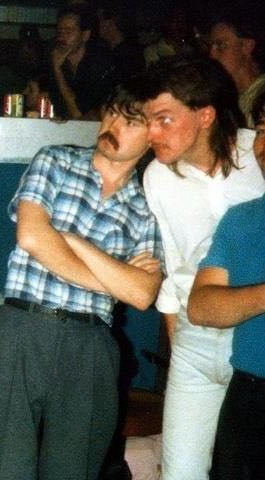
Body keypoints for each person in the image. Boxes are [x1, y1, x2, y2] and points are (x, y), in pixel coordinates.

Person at [0, 78, 164, 480]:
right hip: (23, 327)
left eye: (130, 121)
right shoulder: (55, 160)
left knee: (74, 470)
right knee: (3, 467)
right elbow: (32, 236)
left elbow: (143, 294)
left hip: (91, 346)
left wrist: (74, 241)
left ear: (152, 138)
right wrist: (114, 279)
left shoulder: (148, 206)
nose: (113, 124)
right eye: (111, 112)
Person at [139, 55, 265, 480]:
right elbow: (175, 268)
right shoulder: (157, 175)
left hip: (252, 333)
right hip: (196, 330)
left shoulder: (258, 151)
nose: (150, 132)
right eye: (147, 120)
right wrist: (180, 346)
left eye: (164, 119)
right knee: (181, 471)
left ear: (206, 115)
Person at [186, 91, 265, 480]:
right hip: (250, 396)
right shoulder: (243, 219)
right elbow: (201, 306)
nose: (264, 145)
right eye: (263, 129)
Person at [46, 4, 120, 120]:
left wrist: (57, 70)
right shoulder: (53, 61)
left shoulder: (99, 64)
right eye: (59, 32)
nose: (62, 37)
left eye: (68, 32)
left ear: (85, 35)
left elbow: (78, 112)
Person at [208, 2, 265, 127]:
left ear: (246, 47)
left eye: (221, 46)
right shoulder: (226, 98)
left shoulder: (261, 96)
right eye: (210, 47)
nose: (211, 55)